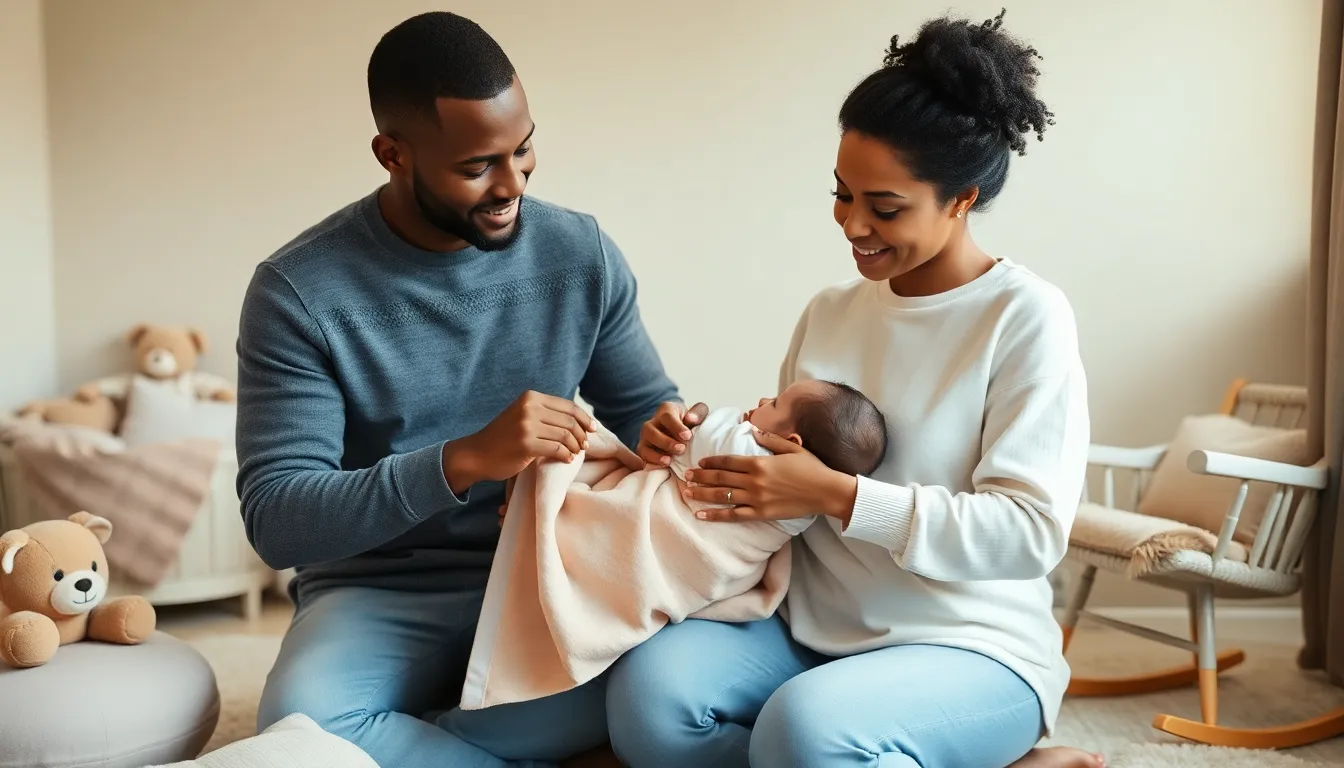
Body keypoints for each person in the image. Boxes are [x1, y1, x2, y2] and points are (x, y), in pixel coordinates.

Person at [608, 10, 1105, 768]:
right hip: (807, 631)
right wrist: (686, 449)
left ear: (962, 198)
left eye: (885, 207)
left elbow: (1029, 532)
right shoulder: (831, 312)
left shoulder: (1023, 317)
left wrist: (841, 495)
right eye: (842, 194)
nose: (852, 224)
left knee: (805, 731)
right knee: (649, 701)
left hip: (971, 646)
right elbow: (778, 475)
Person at [234, 11, 677, 768]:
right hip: (378, 590)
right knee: (300, 727)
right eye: (477, 166)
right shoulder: (299, 292)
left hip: (551, 572)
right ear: (392, 153)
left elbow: (644, 415)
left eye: (525, 146)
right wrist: (464, 460)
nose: (514, 184)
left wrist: (669, 435)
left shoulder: (580, 254)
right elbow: (278, 519)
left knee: (671, 692)